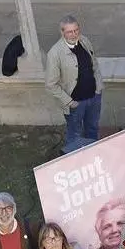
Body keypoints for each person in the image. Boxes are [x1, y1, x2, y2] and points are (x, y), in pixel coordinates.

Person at [44, 15, 104, 152]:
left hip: (94, 98)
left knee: (92, 129)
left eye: (76, 30)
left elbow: (94, 64)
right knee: (74, 135)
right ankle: (75, 163)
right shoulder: (55, 54)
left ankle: (93, 157)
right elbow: (50, 84)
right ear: (62, 32)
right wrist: (70, 102)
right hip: (75, 104)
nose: (74, 34)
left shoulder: (84, 41)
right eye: (70, 32)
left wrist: (98, 88)